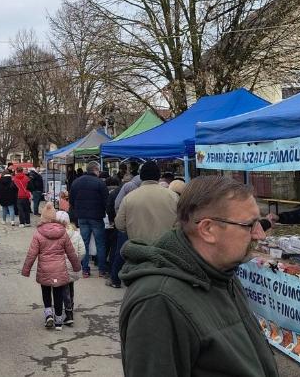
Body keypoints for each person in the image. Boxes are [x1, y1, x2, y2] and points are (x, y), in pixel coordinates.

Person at [119, 176, 277, 376]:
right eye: (250, 225)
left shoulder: (221, 273)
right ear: (208, 229)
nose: (260, 235)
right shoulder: (159, 301)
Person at [21, 203, 81, 331]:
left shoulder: (38, 234)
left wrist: (26, 270)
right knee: (58, 293)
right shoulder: (63, 232)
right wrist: (76, 266)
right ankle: (59, 321)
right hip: (59, 269)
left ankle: (48, 314)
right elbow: (70, 252)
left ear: (43, 217)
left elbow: (32, 253)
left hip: (45, 268)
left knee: (46, 291)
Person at [114, 160, 178, 245]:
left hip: (138, 248)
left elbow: (120, 224)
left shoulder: (129, 198)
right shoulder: (173, 196)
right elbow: (181, 224)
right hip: (165, 248)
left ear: (141, 176)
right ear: (158, 176)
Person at [69, 161, 109, 278]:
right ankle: (102, 270)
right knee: (100, 243)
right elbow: (106, 200)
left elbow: (71, 200)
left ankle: (85, 269)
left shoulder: (76, 182)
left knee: (84, 243)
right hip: (96, 217)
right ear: (96, 170)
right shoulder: (100, 183)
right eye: (99, 170)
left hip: (82, 217)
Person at [56, 210, 84, 326]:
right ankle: (70, 307)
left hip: (60, 266)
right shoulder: (76, 233)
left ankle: (68, 314)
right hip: (73, 264)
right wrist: (77, 261)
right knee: (70, 286)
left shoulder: (55, 235)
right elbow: (82, 251)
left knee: (64, 289)